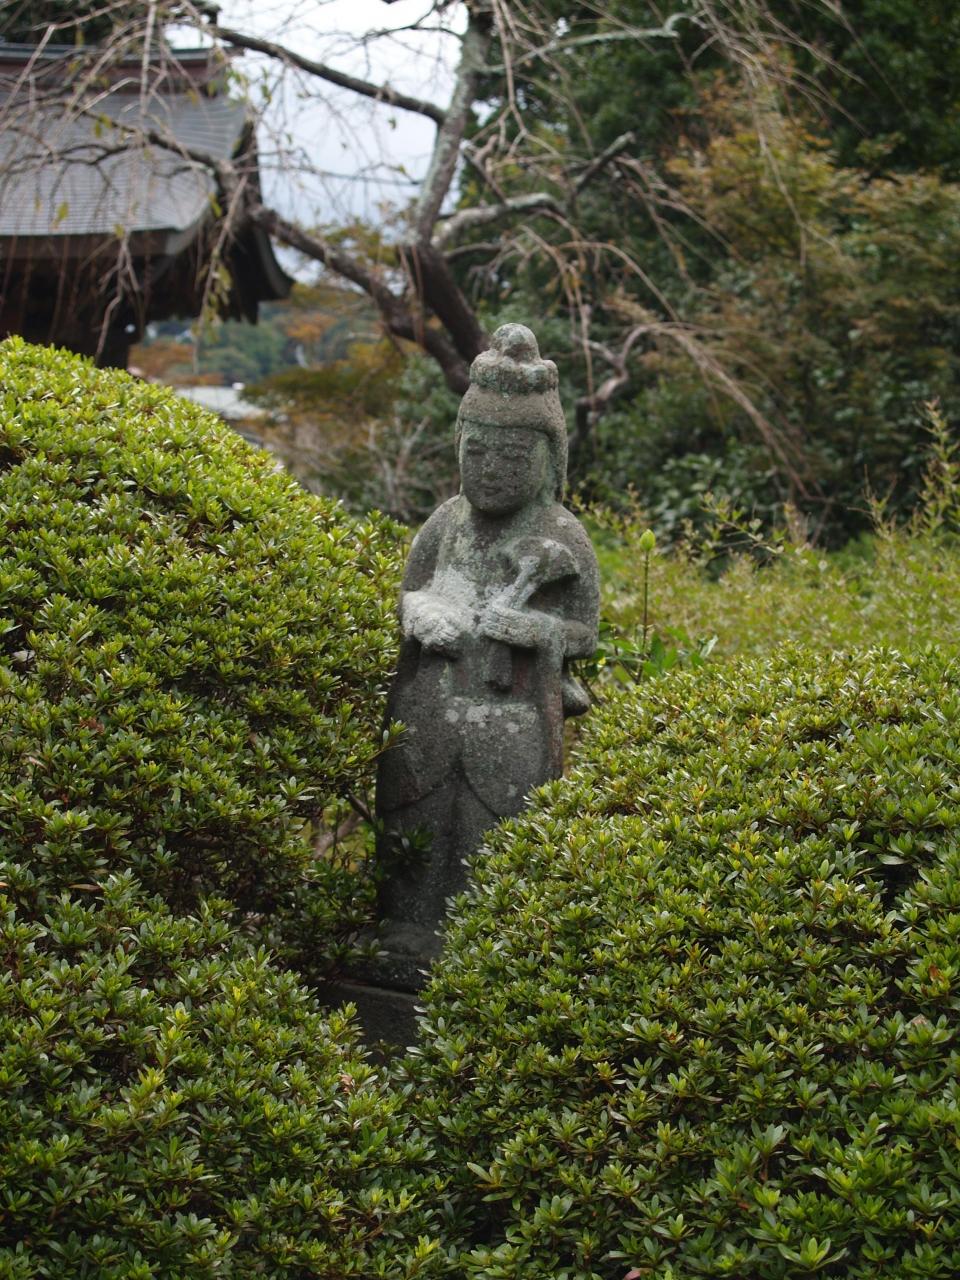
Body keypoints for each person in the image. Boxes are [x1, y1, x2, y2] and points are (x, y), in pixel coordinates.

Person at [374, 323, 599, 984]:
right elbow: (408, 592)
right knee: (413, 821)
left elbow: (584, 631)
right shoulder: (446, 523)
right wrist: (419, 612)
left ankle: (483, 937)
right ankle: (404, 924)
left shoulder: (562, 532)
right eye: (476, 453)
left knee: (490, 828)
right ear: (459, 448)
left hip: (511, 716)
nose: (490, 469)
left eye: (511, 457)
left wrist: (533, 630)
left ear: (549, 461)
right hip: (430, 705)